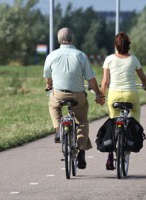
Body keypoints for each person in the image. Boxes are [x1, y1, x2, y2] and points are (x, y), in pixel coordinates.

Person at [43, 27, 104, 169]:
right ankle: (81, 152)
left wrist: (49, 84)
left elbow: (48, 75)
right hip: (78, 94)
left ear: (59, 40)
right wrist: (98, 94)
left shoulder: (51, 55)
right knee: (82, 121)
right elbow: (91, 78)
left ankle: (58, 129)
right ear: (72, 39)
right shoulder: (80, 55)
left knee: (53, 106)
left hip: (59, 93)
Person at [100, 32, 146, 170]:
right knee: (135, 116)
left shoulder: (109, 59)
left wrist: (101, 95)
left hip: (114, 96)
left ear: (115, 46)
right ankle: (130, 139)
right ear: (129, 46)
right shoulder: (133, 60)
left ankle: (110, 157)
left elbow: (105, 81)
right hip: (130, 95)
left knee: (112, 121)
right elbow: (143, 78)